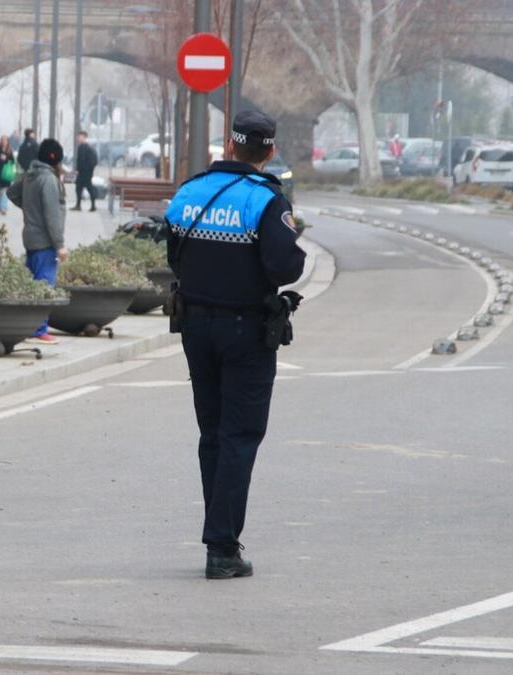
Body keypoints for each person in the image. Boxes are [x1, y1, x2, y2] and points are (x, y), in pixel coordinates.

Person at [164, 111, 306, 579]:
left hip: (194, 328)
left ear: (229, 145)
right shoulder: (266, 201)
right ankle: (222, 548)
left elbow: (173, 253)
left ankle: (217, 532)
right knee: (240, 436)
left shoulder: (189, 193)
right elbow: (286, 267)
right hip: (246, 330)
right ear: (267, 152)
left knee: (212, 434)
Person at [7, 139, 66, 346]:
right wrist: (59, 244)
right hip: (45, 241)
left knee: (33, 283)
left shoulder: (30, 175)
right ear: (54, 159)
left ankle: (31, 327)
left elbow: (11, 193)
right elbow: (52, 216)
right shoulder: (48, 180)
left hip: (30, 237)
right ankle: (39, 330)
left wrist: (29, 208)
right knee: (44, 285)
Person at [71, 130, 99, 212]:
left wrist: (83, 169)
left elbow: (85, 161)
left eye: (79, 137)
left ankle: (88, 205)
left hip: (85, 173)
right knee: (80, 188)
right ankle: (82, 205)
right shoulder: (84, 147)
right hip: (84, 172)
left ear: (84, 137)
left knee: (86, 188)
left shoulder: (86, 148)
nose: (78, 138)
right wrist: (78, 169)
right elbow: (80, 160)